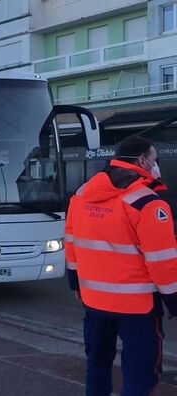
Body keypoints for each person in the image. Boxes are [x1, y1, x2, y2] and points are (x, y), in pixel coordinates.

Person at [65, 135, 177, 396]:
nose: (156, 165)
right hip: (137, 309)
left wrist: (75, 282)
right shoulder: (147, 203)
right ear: (142, 161)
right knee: (140, 375)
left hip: (94, 304)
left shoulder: (81, 196)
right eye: (154, 160)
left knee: (97, 366)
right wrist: (173, 299)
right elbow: (162, 261)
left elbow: (71, 242)